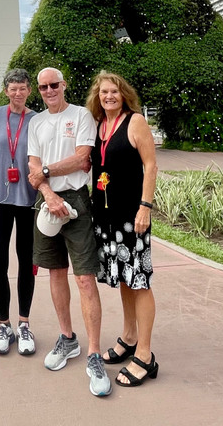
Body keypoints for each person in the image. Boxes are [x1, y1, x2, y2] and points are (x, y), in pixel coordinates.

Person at [27, 67, 112, 397]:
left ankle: (93, 353)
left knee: (85, 277)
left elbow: (81, 160)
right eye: (43, 86)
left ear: (64, 85)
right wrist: (48, 193)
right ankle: (68, 339)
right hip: (46, 200)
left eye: (54, 85)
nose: (49, 90)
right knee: (56, 273)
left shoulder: (80, 116)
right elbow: (33, 166)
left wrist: (47, 172)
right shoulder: (36, 122)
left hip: (76, 199)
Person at [85, 71, 159, 387]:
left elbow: (151, 165)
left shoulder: (135, 121)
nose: (109, 96)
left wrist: (145, 206)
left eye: (114, 91)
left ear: (124, 93)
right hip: (106, 217)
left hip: (132, 215)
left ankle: (145, 356)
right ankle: (129, 338)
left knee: (139, 280)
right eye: (104, 92)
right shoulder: (99, 125)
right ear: (97, 96)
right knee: (125, 280)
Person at [0, 69, 37, 356]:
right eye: (12, 88)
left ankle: (24, 323)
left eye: (22, 88)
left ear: (29, 90)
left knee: (27, 262)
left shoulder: (37, 119)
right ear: (5, 90)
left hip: (28, 200)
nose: (17, 93)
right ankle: (3, 324)